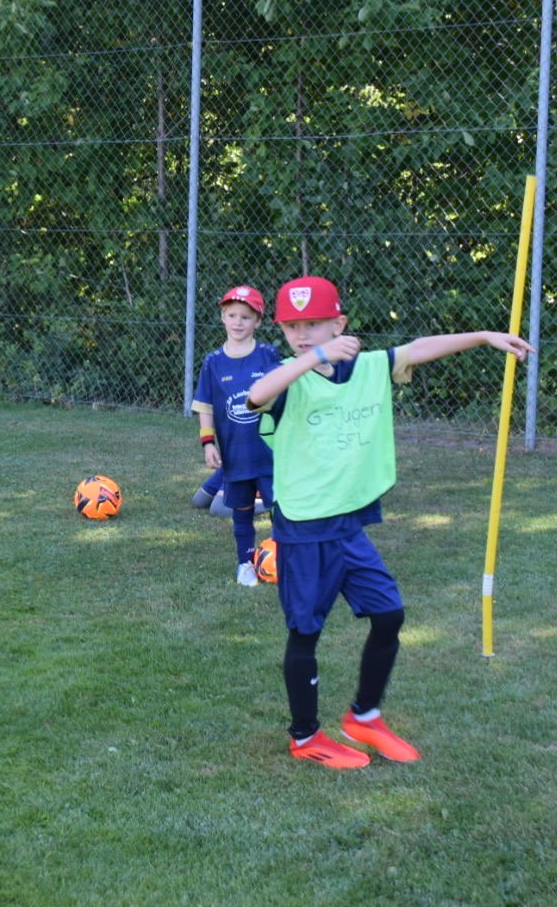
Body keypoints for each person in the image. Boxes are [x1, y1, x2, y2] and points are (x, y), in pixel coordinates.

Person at [246, 275, 534, 768]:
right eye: (293, 326)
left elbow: (417, 349)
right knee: (305, 632)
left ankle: (364, 715)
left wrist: (484, 337)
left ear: (339, 323)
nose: (303, 334)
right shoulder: (289, 376)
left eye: (314, 324)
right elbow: (256, 395)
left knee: (389, 614)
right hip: (305, 526)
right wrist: (314, 357)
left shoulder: (369, 367)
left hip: (347, 523)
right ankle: (305, 736)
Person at [191, 285, 280, 586]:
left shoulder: (268, 355)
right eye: (232, 315)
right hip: (235, 454)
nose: (238, 322)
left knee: (280, 509)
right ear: (223, 318)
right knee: (241, 511)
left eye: (245, 317)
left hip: (269, 453)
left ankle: (285, 558)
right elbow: (205, 406)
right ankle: (245, 563)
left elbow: (283, 394)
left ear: (258, 321)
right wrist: (208, 443)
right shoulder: (213, 362)